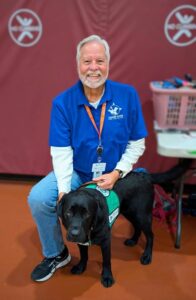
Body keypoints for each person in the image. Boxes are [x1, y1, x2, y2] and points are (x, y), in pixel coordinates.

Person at [28, 34, 147, 282]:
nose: (93, 68)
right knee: (39, 198)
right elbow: (61, 153)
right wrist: (63, 191)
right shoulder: (63, 102)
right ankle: (56, 254)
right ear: (78, 65)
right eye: (87, 61)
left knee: (137, 188)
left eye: (100, 61)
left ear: (108, 64)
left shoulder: (127, 95)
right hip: (78, 173)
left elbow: (137, 143)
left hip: (114, 174)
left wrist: (118, 173)